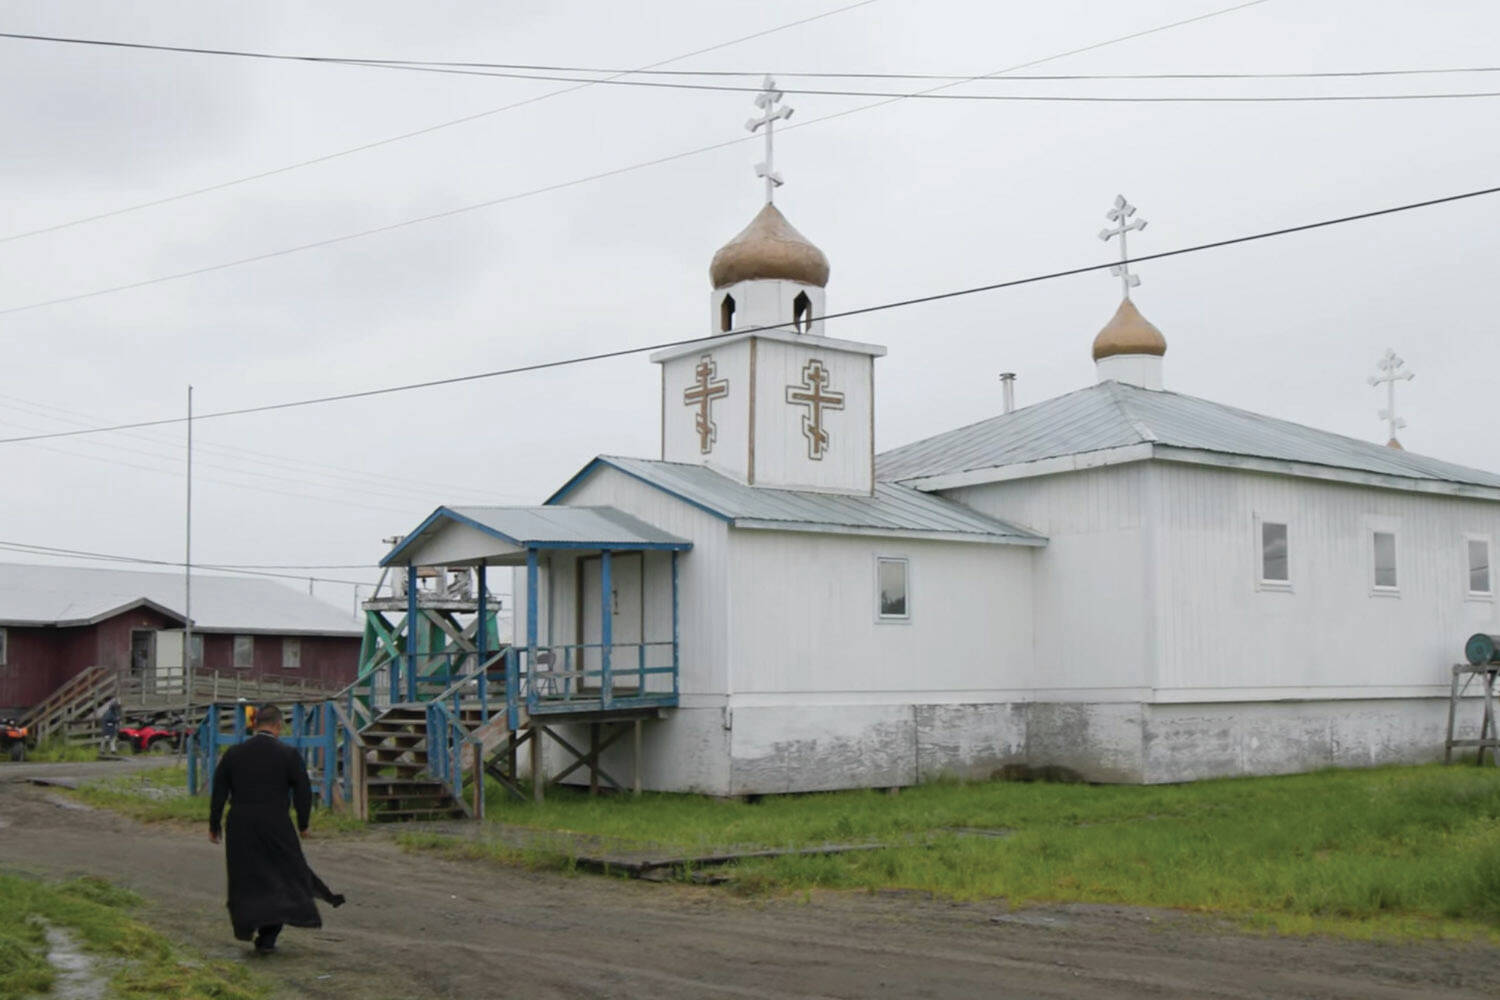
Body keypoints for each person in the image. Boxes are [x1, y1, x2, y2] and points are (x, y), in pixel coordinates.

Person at [208, 703, 344, 953]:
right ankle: (269, 936)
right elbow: (303, 790)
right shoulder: (288, 754)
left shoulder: (234, 753)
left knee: (246, 878)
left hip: (240, 823)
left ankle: (248, 925)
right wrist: (303, 824)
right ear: (278, 726)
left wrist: (214, 825)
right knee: (284, 875)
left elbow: (218, 791)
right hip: (276, 823)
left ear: (255, 724)